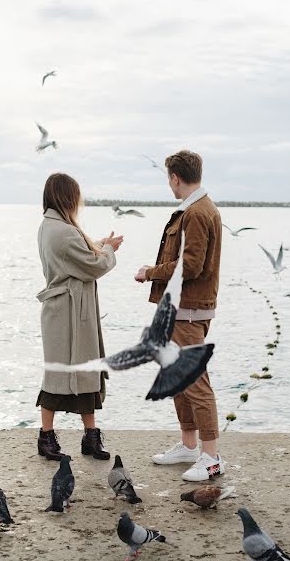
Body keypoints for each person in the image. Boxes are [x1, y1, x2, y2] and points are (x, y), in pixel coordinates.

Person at [134, 150, 223, 482]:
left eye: (168, 178)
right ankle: (189, 445)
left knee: (195, 382)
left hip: (188, 310)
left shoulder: (198, 212)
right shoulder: (195, 208)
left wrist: (151, 272)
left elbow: (191, 265)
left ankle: (211, 457)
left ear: (174, 177)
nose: (168, 183)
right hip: (180, 308)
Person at [36, 173, 123, 461]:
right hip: (69, 313)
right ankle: (55, 439)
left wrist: (99, 243)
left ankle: (81, 437)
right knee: (65, 374)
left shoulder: (50, 226)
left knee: (74, 373)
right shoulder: (64, 231)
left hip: (65, 310)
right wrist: (108, 249)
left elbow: (74, 256)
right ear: (67, 197)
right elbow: (94, 265)